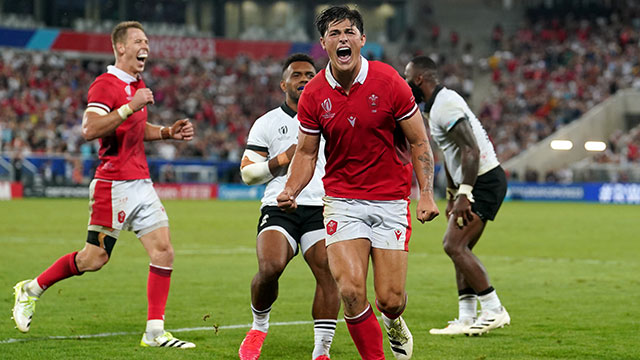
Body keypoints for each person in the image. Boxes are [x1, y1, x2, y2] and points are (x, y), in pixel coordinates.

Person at [11, 21, 196, 349]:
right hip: (114, 185)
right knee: (94, 259)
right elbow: (90, 127)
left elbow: (135, 128)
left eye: (147, 41)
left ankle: (155, 332)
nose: (146, 47)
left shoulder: (136, 84)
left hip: (141, 182)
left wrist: (168, 132)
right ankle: (31, 289)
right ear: (120, 47)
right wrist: (129, 106)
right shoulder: (105, 84)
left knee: (164, 251)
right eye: (139, 40)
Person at [277, 6, 439, 360]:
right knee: (350, 290)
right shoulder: (314, 93)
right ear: (324, 44)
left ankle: (394, 320)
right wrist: (291, 189)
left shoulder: (389, 81)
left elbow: (419, 141)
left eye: (349, 31)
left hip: (391, 201)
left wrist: (425, 193)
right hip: (343, 201)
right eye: (334, 34)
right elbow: (306, 154)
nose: (343, 38)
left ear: (362, 39)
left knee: (390, 299)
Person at [238, 53, 340, 360]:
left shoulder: (332, 117)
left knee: (327, 271)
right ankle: (258, 327)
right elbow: (247, 173)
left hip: (322, 207)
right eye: (297, 75)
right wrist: (284, 158)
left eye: (310, 74)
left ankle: (321, 350)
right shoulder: (268, 122)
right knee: (270, 267)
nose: (305, 79)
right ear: (284, 83)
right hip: (279, 204)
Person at [404, 55, 510, 336]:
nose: (405, 84)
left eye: (407, 78)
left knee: (454, 245)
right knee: (461, 248)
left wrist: (465, 193)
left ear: (419, 79)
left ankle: (494, 309)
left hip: (483, 180)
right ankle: (466, 317)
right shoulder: (436, 106)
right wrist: (452, 193)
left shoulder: (446, 104)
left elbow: (470, 149)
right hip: (475, 181)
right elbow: (452, 156)